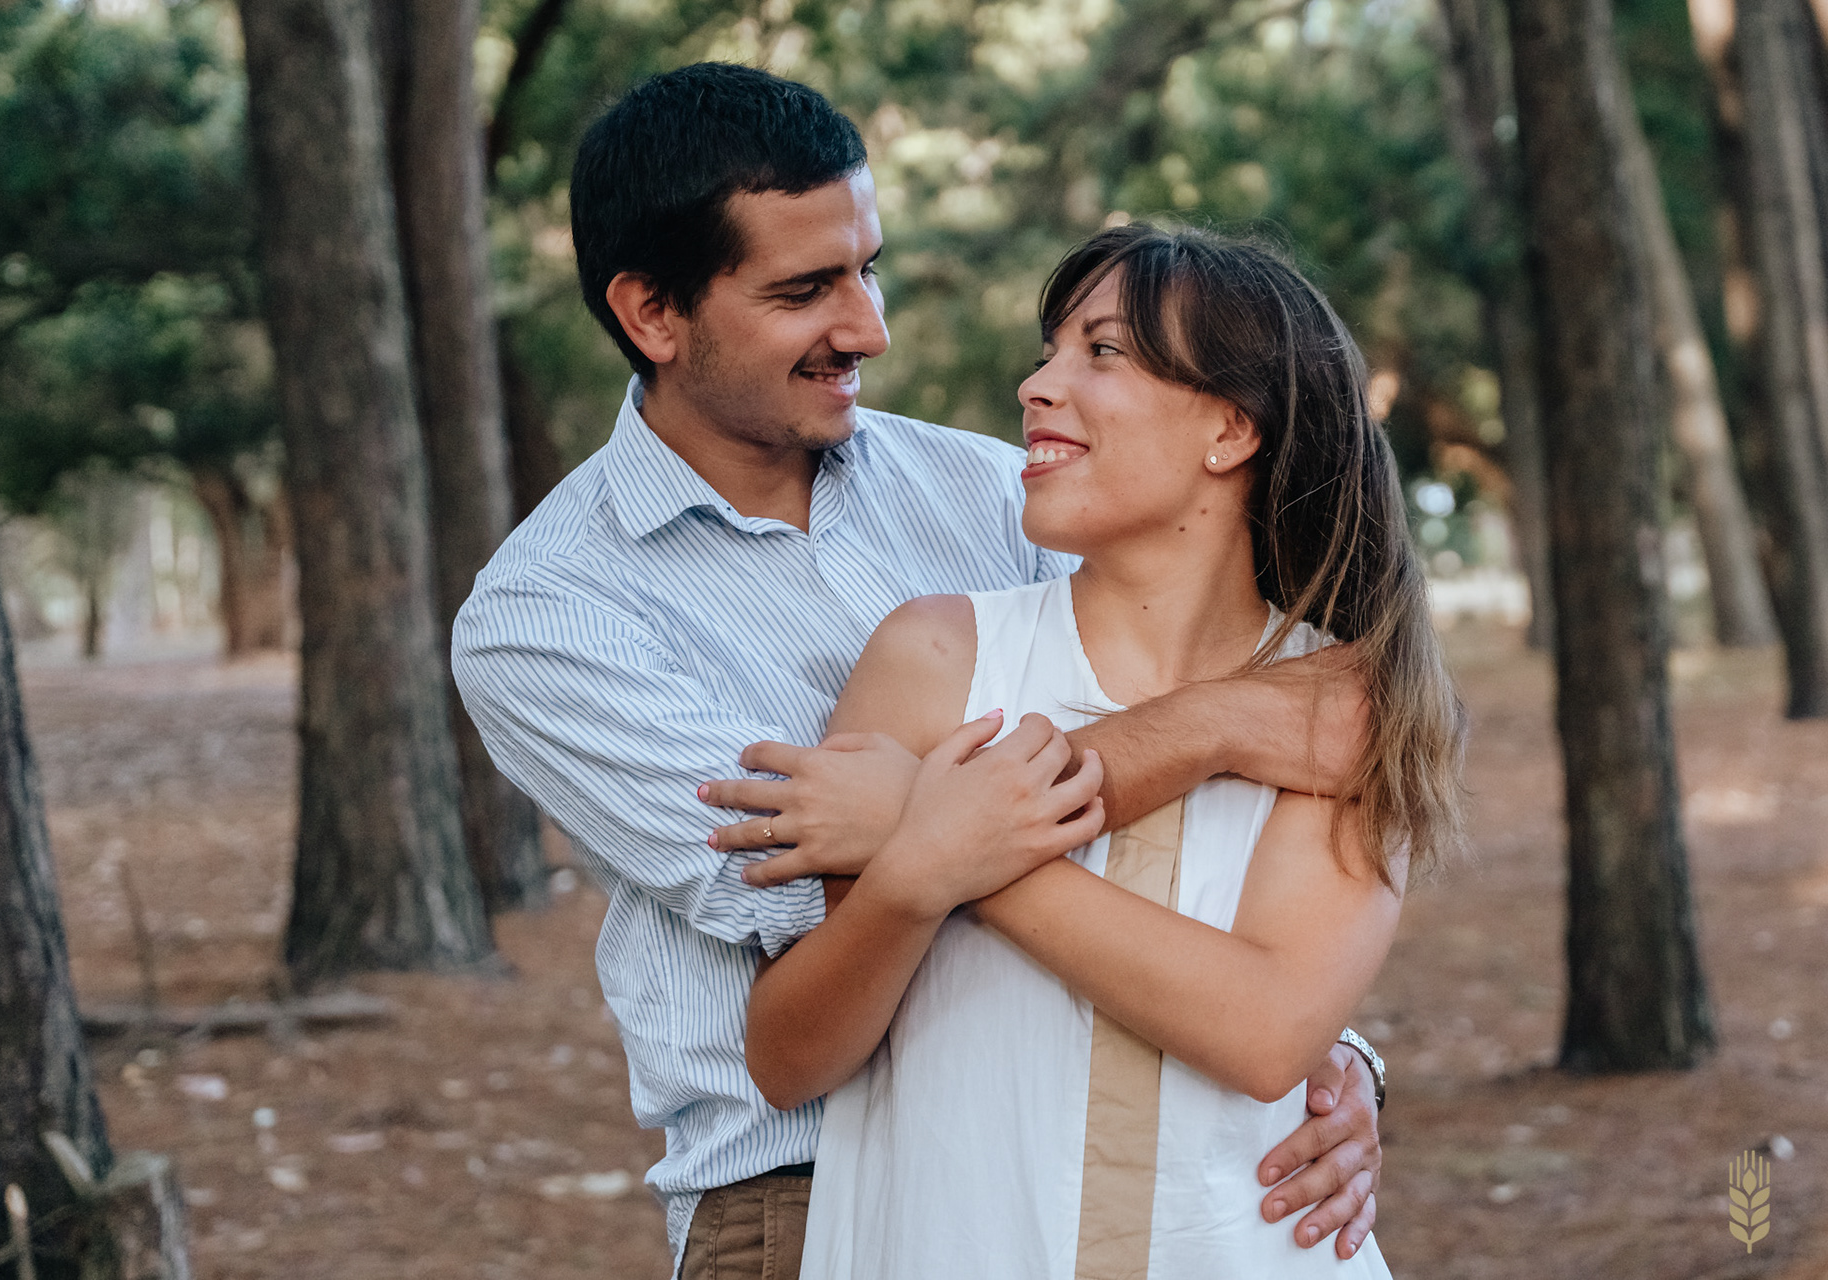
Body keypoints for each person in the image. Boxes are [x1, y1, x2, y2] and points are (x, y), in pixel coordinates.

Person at [453, 63, 1388, 1280]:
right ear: (652, 314)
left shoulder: (996, 490)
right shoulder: (547, 616)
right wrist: (1209, 731)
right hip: (796, 1182)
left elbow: (1209, 817)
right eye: (805, 290)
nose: (869, 329)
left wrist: (1326, 1038)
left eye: (868, 268)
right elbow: (809, 888)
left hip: (1104, 1126)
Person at [742, 224, 1466, 1278]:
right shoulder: (937, 657)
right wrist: (916, 866)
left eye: (1102, 352)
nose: (1037, 384)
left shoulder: (1342, 708)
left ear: (1229, 427)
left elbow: (1266, 1028)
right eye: (1049, 351)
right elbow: (791, 1055)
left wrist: (938, 840)